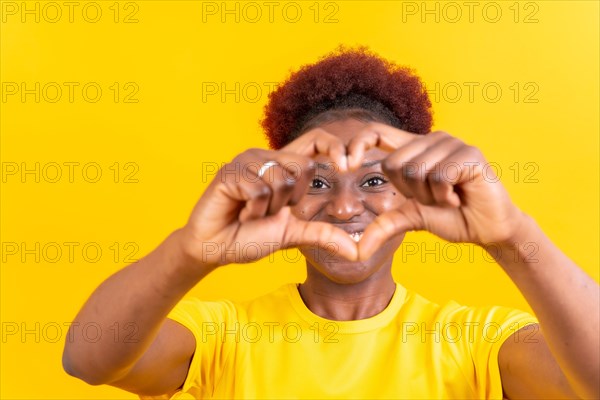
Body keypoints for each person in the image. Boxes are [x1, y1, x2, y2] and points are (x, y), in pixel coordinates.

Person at [62, 47, 599, 399]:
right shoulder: (225, 335)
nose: (344, 210)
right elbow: (88, 359)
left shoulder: (475, 341)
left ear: (414, 186)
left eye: (371, 181)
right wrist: (190, 251)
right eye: (318, 182)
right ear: (282, 192)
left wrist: (513, 237)